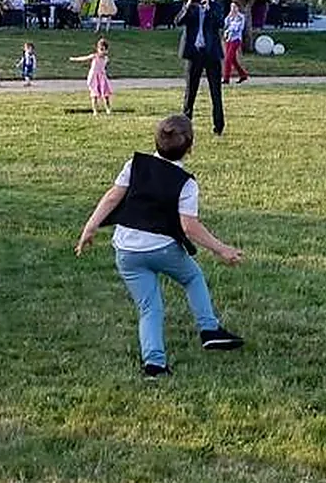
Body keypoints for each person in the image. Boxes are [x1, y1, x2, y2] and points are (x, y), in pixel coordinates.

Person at [74, 114, 244, 379]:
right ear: (190, 148)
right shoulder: (186, 182)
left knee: (149, 307)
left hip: (126, 251)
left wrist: (90, 226)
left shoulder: (135, 164)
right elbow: (189, 226)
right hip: (162, 249)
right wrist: (221, 248)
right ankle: (209, 329)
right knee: (192, 277)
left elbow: (111, 197)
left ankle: (154, 365)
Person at [176, 0, 225, 136]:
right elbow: (178, 21)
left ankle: (219, 127)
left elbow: (220, 23)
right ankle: (185, 127)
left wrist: (208, 8)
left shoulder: (215, 7)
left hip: (211, 54)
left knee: (216, 92)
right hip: (194, 54)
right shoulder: (190, 6)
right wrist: (189, 4)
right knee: (190, 92)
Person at [70, 38, 113, 115]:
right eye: (101, 49)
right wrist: (74, 59)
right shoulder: (94, 56)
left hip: (102, 78)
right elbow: (84, 58)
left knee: (106, 94)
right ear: (98, 49)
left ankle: (108, 109)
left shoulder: (106, 58)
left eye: (104, 50)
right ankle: (95, 111)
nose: (103, 52)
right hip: (94, 77)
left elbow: (103, 67)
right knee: (94, 95)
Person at [221, 1, 249, 85]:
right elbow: (224, 25)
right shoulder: (229, 17)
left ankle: (226, 78)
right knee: (233, 59)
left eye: (234, 7)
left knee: (228, 59)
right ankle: (243, 75)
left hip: (236, 39)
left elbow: (239, 28)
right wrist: (229, 16)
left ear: (238, 8)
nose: (233, 9)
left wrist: (231, 28)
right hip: (228, 39)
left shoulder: (241, 17)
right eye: (231, 7)